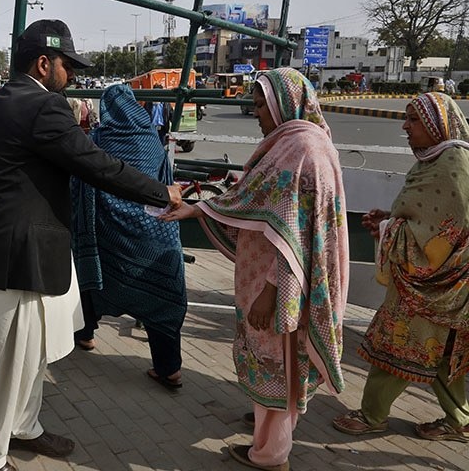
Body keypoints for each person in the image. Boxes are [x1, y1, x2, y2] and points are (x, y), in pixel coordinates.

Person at [0, 19, 182, 471]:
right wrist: (163, 192)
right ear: (44, 63)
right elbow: (97, 165)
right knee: (8, 364)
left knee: (31, 355)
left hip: (10, 250)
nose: (73, 76)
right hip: (22, 260)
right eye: (68, 65)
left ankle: (25, 427)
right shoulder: (45, 107)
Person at [161, 67, 349, 471]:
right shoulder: (292, 144)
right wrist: (197, 209)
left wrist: (270, 292)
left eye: (263, 103)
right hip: (267, 280)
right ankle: (268, 428)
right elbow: (249, 203)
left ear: (287, 103)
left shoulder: (302, 151)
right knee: (276, 362)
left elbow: (295, 236)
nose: (257, 111)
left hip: (279, 287)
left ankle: (269, 456)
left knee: (278, 361)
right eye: (256, 103)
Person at [332, 92, 469, 443]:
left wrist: (389, 230)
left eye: (414, 120)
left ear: (438, 125)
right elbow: (426, 217)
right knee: (443, 352)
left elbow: (446, 233)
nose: (405, 127)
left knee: (397, 345)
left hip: (435, 284)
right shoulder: (435, 160)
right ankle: (459, 420)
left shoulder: (453, 164)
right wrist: (390, 220)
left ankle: (372, 415)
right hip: (442, 285)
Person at [70, 84, 187, 388]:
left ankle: (84, 334)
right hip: (154, 235)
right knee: (162, 299)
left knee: (93, 278)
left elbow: (82, 183)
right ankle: (169, 368)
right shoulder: (153, 141)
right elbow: (166, 185)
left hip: (112, 236)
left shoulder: (98, 140)